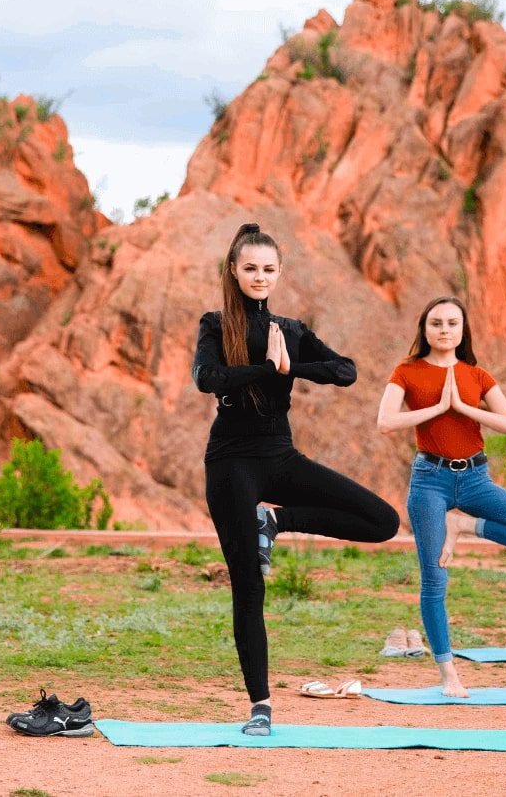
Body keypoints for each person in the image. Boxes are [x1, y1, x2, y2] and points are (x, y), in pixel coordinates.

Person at [193, 223, 400, 735]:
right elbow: (207, 379)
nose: (259, 277)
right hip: (230, 464)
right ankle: (260, 706)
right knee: (248, 585)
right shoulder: (216, 324)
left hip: (281, 458)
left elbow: (346, 371)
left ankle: (278, 522)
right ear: (234, 271)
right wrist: (267, 369)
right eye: (250, 268)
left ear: (279, 273)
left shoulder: (292, 329)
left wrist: (292, 368)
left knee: (383, 521)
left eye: (268, 269)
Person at [377, 296, 506, 697]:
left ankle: (464, 523)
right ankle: (449, 674)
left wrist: (462, 407)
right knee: (434, 579)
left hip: (476, 478)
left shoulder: (477, 375)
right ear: (424, 329)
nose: (444, 330)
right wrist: (437, 409)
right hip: (429, 481)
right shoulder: (407, 372)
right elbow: (386, 421)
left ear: (463, 330)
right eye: (436, 323)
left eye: (452, 324)